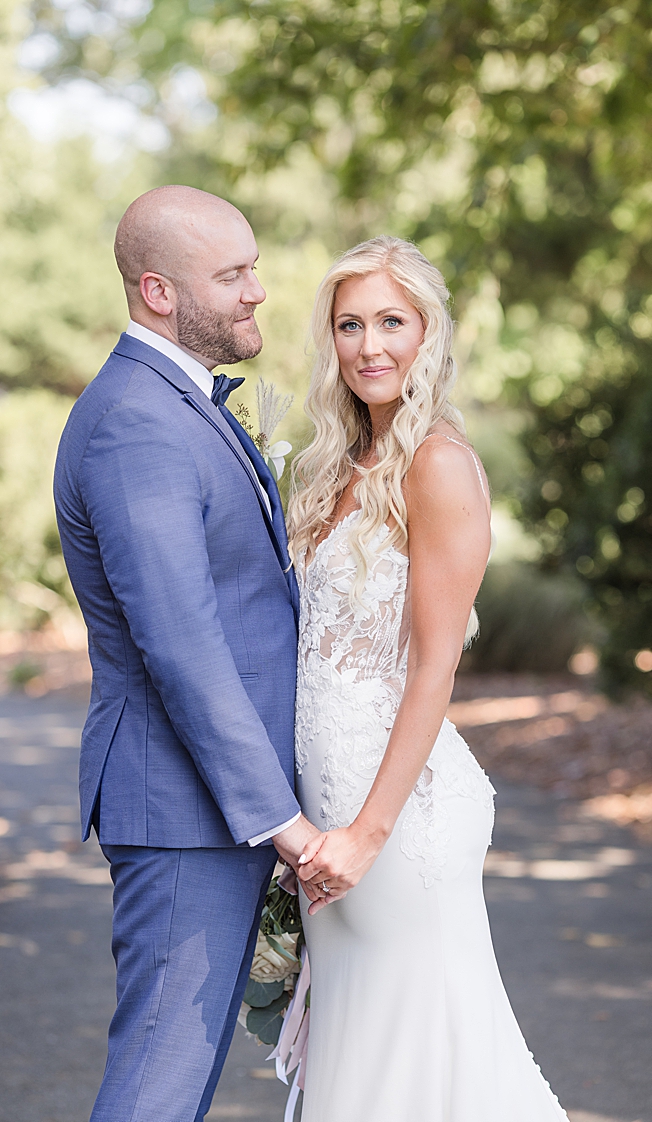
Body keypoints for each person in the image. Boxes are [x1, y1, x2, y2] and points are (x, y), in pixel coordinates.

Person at [53, 185, 326, 1122]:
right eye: (233, 274)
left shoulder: (174, 404)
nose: (258, 291)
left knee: (177, 1076)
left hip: (206, 808)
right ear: (160, 292)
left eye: (253, 267)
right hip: (186, 810)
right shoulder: (138, 421)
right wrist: (280, 820)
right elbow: (182, 645)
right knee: (157, 1085)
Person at [285, 236, 568, 1119]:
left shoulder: (437, 465)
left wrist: (368, 833)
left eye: (392, 322)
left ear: (428, 334)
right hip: (324, 818)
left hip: (396, 823)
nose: (370, 345)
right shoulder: (332, 466)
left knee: (412, 1061)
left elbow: (434, 669)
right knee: (362, 1055)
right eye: (350, 324)